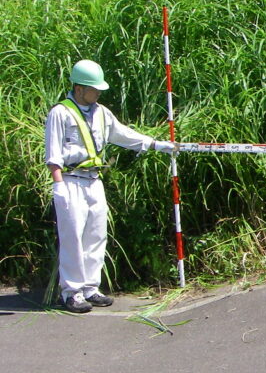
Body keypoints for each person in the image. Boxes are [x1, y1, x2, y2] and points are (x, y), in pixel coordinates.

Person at [44, 59, 177, 313]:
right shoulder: (60, 113)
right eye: (94, 89)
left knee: (96, 235)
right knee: (72, 237)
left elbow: (123, 134)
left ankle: (90, 288)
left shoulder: (101, 112)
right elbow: (53, 155)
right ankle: (72, 292)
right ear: (79, 87)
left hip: (94, 181)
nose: (98, 94)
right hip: (71, 181)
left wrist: (153, 144)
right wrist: (58, 186)